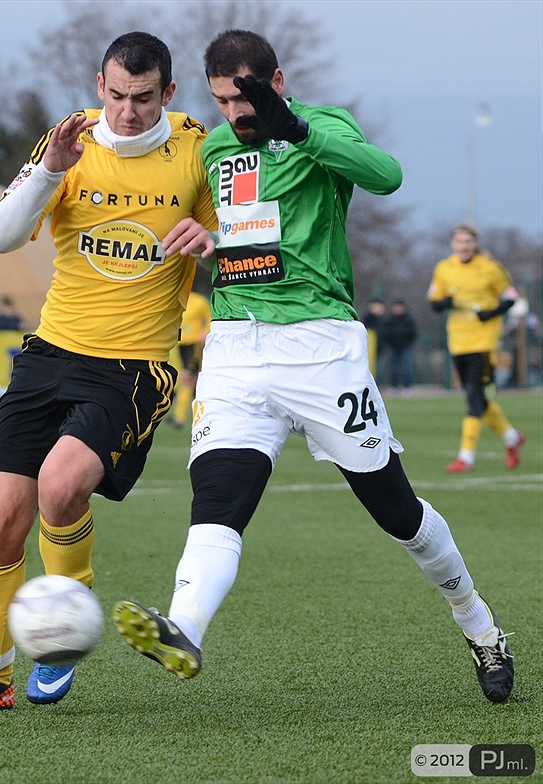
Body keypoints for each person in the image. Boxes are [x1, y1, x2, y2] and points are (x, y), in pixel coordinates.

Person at [113, 29, 514, 705]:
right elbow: (247, 229)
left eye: (242, 97)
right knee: (216, 501)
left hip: (320, 349)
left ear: (275, 81)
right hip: (237, 346)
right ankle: (183, 628)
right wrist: (213, 239)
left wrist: (297, 130)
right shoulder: (216, 148)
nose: (232, 114)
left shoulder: (323, 126)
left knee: (396, 511)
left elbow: (386, 176)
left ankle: (479, 623)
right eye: (220, 101)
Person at [0, 31, 217, 714]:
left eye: (143, 98)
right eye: (116, 95)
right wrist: (50, 172)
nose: (127, 111)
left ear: (169, 93)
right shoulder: (68, 139)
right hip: (50, 353)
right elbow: (1, 236)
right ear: (99, 86)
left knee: (60, 488)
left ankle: (62, 640)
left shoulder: (196, 148)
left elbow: (241, 231)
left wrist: (215, 236)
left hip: (134, 366)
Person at [428, 224, 525, 473]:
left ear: (475, 243)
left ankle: (466, 457)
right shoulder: (444, 268)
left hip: (484, 341)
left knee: (473, 396)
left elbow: (511, 297)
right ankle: (512, 438)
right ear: (453, 244)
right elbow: (435, 303)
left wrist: (492, 313)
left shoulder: (490, 268)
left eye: (468, 241)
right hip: (458, 340)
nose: (464, 246)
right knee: (477, 396)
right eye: (459, 242)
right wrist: (445, 302)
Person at [168, 286, 211, 429]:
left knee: (187, 378)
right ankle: (180, 417)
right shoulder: (176, 299)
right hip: (179, 344)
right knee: (187, 379)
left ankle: (180, 418)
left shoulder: (199, 301)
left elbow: (210, 318)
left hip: (194, 344)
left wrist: (205, 332)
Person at [382, 299, 418, 394]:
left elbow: (413, 333)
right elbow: (386, 333)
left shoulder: (409, 320)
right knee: (393, 369)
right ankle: (394, 387)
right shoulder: (390, 320)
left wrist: (408, 343)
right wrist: (389, 343)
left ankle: (407, 387)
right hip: (393, 347)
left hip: (405, 347)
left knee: (407, 368)